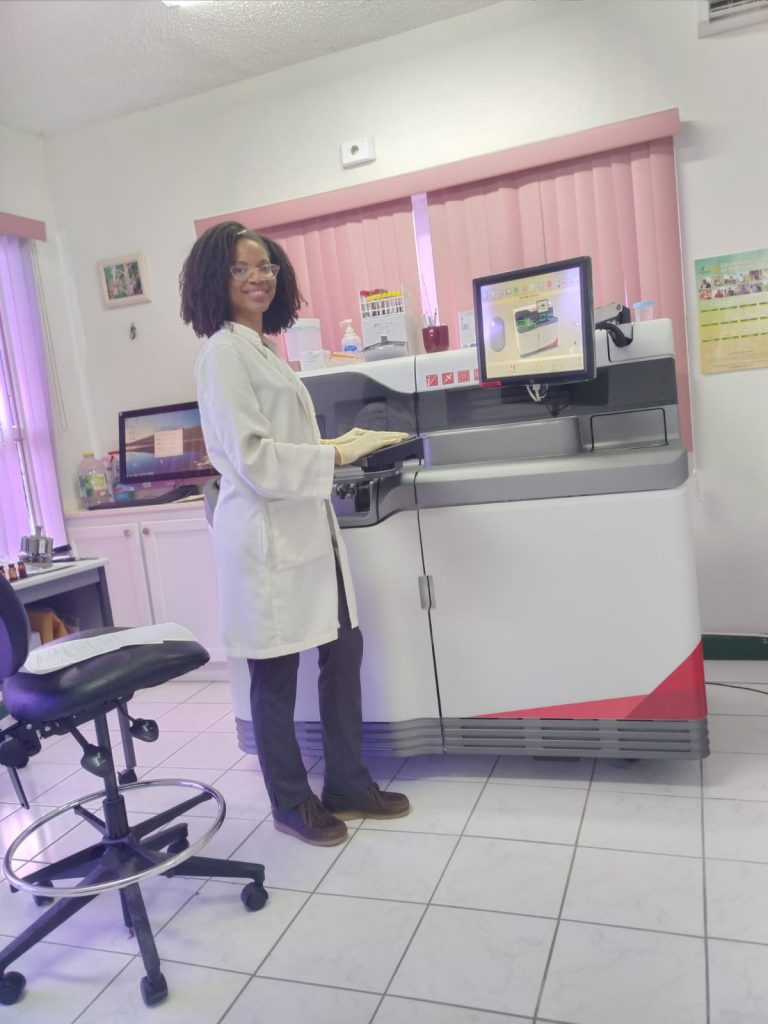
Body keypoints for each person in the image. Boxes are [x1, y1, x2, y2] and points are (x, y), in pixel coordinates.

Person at [179, 221, 411, 846]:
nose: (258, 277)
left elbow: (284, 444)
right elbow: (254, 457)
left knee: (343, 650)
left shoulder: (262, 349)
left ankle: (348, 783)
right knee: (275, 675)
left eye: (266, 267)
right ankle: (290, 801)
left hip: (309, 532)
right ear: (214, 280)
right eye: (240, 269)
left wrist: (332, 450)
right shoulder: (221, 354)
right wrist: (337, 455)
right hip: (266, 540)